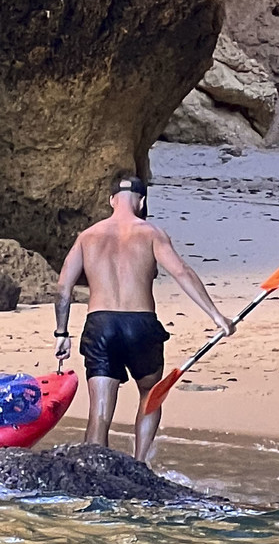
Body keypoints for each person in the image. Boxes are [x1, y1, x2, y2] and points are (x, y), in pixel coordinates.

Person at [53, 173, 232, 462]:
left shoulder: (87, 237)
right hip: (141, 325)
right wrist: (216, 316)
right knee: (150, 392)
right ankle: (140, 464)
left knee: (99, 411)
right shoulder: (151, 233)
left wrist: (61, 333)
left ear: (112, 200)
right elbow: (181, 272)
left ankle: (94, 469)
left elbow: (63, 287)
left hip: (101, 326)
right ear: (142, 201)